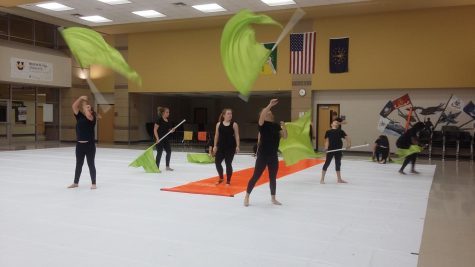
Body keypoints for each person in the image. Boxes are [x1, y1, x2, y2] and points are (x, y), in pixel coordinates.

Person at [244, 99, 287, 207]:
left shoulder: (276, 126)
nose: (269, 112)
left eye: (270, 111)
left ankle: (273, 198)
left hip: (273, 155)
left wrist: (284, 127)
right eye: (267, 111)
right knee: (256, 176)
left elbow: (285, 137)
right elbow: (262, 116)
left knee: (273, 177)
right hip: (263, 155)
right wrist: (269, 105)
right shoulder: (262, 125)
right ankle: (247, 196)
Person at [68, 96, 97, 190]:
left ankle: (93, 183)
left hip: (89, 145)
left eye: (89, 107)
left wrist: (85, 106)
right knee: (78, 164)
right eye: (86, 107)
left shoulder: (92, 118)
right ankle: (75, 182)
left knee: (90, 164)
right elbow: (74, 106)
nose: (86, 108)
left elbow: (88, 115)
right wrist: (80, 98)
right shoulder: (80, 116)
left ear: (91, 111)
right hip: (79, 145)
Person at [213, 109, 240, 185]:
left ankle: (228, 180)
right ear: (224, 115)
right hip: (221, 147)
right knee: (217, 162)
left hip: (230, 147)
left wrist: (237, 146)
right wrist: (215, 146)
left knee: (228, 163)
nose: (230, 115)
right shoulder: (218, 124)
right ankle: (221, 178)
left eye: (231, 114)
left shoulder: (234, 124)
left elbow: (237, 136)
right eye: (228, 113)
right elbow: (216, 136)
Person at [320, 119, 351, 184]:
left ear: (338, 125)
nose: (336, 122)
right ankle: (322, 179)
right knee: (327, 163)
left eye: (337, 122)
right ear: (331, 124)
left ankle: (339, 179)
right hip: (331, 149)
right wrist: (326, 148)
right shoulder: (328, 131)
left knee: (338, 163)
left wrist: (349, 144)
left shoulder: (340, 131)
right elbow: (327, 141)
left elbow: (347, 138)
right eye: (334, 122)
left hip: (338, 150)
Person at [154, 107, 175, 171]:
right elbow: (155, 130)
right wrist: (157, 139)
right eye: (167, 112)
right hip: (159, 139)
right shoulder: (159, 120)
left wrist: (172, 130)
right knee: (159, 153)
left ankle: (167, 166)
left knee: (169, 151)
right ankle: (156, 168)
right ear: (163, 113)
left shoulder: (168, 121)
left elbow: (168, 130)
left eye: (168, 112)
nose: (168, 113)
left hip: (165, 139)